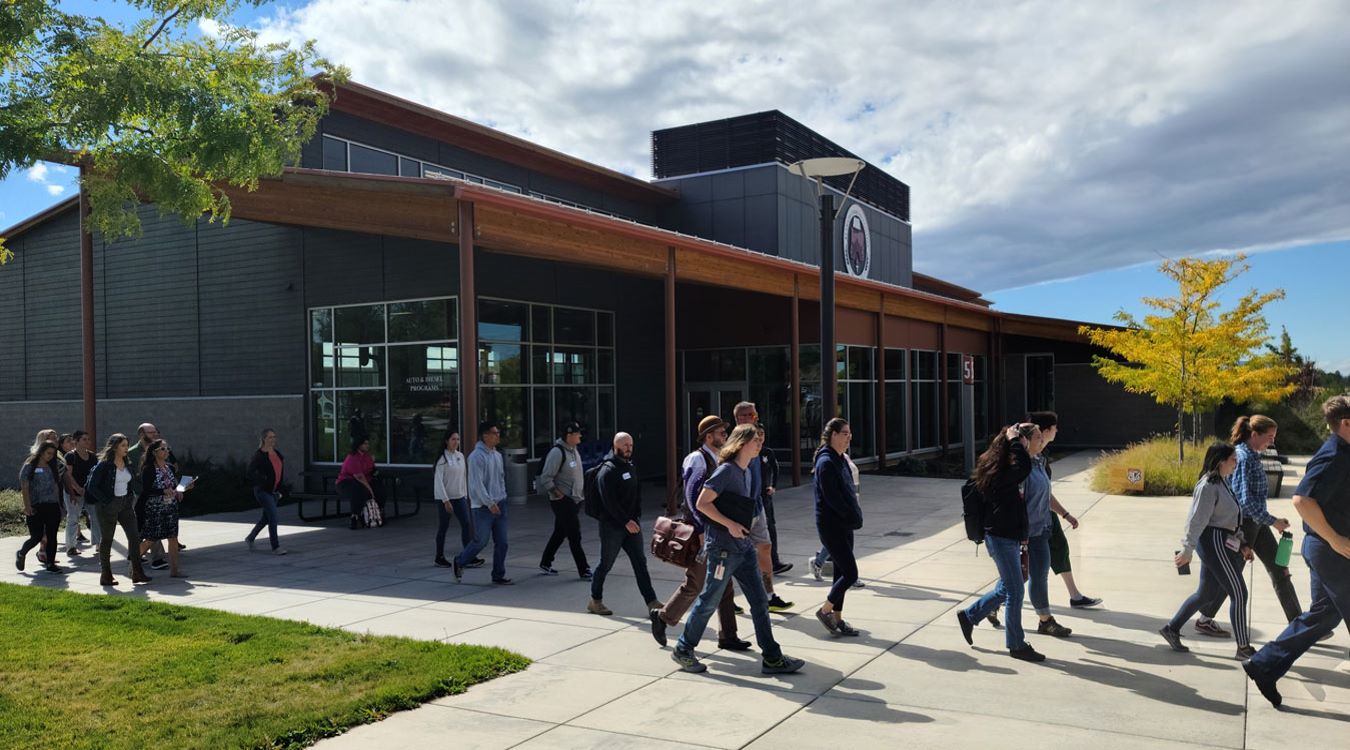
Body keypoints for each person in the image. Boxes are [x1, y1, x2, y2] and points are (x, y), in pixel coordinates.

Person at [670, 424, 806, 675]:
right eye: (755, 440)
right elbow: (702, 503)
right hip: (722, 550)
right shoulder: (726, 471)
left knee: (759, 601)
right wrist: (730, 524)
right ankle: (683, 648)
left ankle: (772, 658)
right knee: (709, 601)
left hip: (742, 549)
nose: (759, 444)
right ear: (742, 443)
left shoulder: (748, 471)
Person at [1244, 395, 1350, 708]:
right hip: (1332, 551)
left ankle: (1264, 666)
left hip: (1328, 549)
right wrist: (1334, 539)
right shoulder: (1334, 455)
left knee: (1323, 616)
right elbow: (1301, 500)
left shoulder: (1344, 452)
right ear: (1346, 423)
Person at [1191, 416, 1300, 638]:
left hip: (1258, 523)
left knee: (1279, 568)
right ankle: (1204, 619)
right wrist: (1273, 521)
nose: (1272, 442)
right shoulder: (1242, 457)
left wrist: (1269, 520)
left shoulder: (1252, 455)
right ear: (1254, 435)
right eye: (1269, 437)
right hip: (1245, 526)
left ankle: (1299, 623)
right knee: (1231, 576)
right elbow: (1245, 501)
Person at [650, 416, 748, 650]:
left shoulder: (719, 458)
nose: (725, 436)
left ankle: (728, 635)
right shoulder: (697, 458)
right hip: (701, 532)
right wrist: (703, 530)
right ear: (708, 436)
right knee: (696, 582)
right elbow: (693, 498)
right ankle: (663, 617)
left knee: (724, 583)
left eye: (725, 433)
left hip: (717, 530)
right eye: (721, 433)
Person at [955, 423, 1049, 662]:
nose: (1028, 445)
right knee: (1015, 590)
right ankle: (1016, 645)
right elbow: (1024, 466)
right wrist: (1016, 440)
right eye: (1024, 441)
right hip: (1000, 538)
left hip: (1007, 535)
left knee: (1008, 587)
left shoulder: (1003, 468)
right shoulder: (1003, 470)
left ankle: (969, 615)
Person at [1159, 442, 1254, 659]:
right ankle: (1243, 648)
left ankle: (1171, 629)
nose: (1235, 464)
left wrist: (1243, 543)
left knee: (1207, 593)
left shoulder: (1223, 482)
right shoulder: (1209, 486)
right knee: (1239, 593)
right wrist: (1187, 549)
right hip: (1213, 541)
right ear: (1221, 461)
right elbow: (1197, 520)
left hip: (1222, 540)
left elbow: (1232, 519)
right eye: (1232, 460)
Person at [1025, 411, 1101, 610]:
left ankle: (1074, 596)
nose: (1057, 430)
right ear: (1046, 430)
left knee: (1057, 550)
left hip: (1043, 514)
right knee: (1025, 567)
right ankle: (993, 604)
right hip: (1035, 517)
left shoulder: (1041, 456)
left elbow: (1045, 492)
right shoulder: (1030, 458)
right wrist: (1064, 514)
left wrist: (1065, 514)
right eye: (1054, 427)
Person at [588, 432, 661, 615]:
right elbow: (608, 502)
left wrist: (635, 517)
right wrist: (625, 521)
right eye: (624, 445)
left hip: (631, 526)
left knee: (640, 563)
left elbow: (636, 494)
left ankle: (651, 601)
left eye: (631, 445)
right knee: (606, 564)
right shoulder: (608, 471)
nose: (628, 448)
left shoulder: (630, 467)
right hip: (612, 527)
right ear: (615, 447)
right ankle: (595, 601)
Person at [731, 401, 793, 612]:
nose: (752, 418)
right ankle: (726, 598)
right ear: (739, 419)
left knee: (765, 547)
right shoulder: (733, 443)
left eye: (754, 415)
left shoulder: (756, 439)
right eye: (747, 415)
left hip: (758, 506)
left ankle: (769, 595)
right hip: (740, 509)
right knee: (735, 557)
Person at [812, 418, 863, 636]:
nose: (848, 437)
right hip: (832, 526)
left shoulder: (840, 458)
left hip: (844, 524)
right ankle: (825, 610)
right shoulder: (826, 462)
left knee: (841, 572)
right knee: (851, 573)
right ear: (833, 434)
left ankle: (838, 619)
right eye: (844, 433)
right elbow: (832, 498)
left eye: (850, 433)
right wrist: (850, 515)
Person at [84, 433, 151, 586]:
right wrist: (107, 501)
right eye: (123, 445)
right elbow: (92, 487)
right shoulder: (104, 465)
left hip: (126, 504)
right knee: (107, 540)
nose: (126, 448)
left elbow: (133, 482)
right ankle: (106, 575)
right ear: (114, 447)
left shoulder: (127, 463)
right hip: (108, 506)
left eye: (127, 445)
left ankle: (137, 572)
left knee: (134, 538)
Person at [453, 422, 511, 584]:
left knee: (503, 542)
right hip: (483, 508)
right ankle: (460, 561)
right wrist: (489, 502)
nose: (498, 435)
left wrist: (502, 496)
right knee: (481, 541)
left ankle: (498, 575)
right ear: (485, 436)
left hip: (500, 503)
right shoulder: (475, 457)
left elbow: (500, 478)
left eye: (498, 432)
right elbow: (477, 484)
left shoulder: (497, 455)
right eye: (494, 433)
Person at [537, 422, 592, 578]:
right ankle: (584, 569)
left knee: (560, 532)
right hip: (563, 501)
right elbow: (546, 477)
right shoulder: (557, 452)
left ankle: (545, 562)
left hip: (575, 500)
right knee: (575, 535)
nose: (580, 435)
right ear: (569, 436)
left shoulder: (574, 450)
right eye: (577, 433)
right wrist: (557, 492)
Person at [127, 422, 181, 568]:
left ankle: (173, 569)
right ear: (141, 434)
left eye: (155, 432)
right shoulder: (133, 453)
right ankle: (141, 561)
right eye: (151, 432)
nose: (154, 434)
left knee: (172, 538)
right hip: (147, 500)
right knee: (150, 536)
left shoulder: (166, 462)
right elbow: (133, 477)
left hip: (169, 506)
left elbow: (169, 478)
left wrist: (179, 489)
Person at [137, 438, 189, 578]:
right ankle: (134, 564)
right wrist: (162, 492)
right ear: (154, 452)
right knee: (151, 539)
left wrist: (182, 489)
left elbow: (173, 486)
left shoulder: (170, 467)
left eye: (168, 449)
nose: (167, 451)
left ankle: (175, 571)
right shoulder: (148, 469)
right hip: (155, 508)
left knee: (173, 538)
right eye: (163, 449)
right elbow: (147, 490)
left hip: (171, 507)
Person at [16, 440, 66, 574]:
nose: (50, 456)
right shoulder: (29, 466)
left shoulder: (53, 466)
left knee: (52, 535)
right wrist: (27, 506)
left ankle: (51, 563)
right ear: (41, 452)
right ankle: (21, 553)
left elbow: (56, 486)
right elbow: (25, 487)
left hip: (52, 505)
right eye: (48, 453)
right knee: (37, 536)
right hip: (36, 506)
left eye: (53, 454)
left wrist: (59, 505)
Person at [432, 431, 476, 568]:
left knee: (467, 524)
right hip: (445, 499)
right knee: (443, 527)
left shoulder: (460, 456)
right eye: (453, 439)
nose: (456, 442)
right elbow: (438, 481)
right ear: (447, 441)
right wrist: (445, 500)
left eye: (457, 439)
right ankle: (439, 556)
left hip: (459, 497)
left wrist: (465, 495)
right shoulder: (442, 459)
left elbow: (463, 477)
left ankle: (468, 555)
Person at [245, 428, 288, 555]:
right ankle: (276, 547)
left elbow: (279, 473)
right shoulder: (259, 455)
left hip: (273, 492)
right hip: (263, 491)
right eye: (270, 437)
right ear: (264, 439)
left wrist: (279, 489)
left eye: (274, 437)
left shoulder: (277, 454)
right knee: (273, 517)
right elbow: (250, 473)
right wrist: (262, 480)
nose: (273, 439)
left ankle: (250, 538)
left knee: (266, 518)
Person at [758, 426, 791, 575]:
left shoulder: (767, 452)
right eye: (757, 434)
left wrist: (773, 486)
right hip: (751, 497)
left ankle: (774, 561)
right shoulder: (746, 452)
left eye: (762, 434)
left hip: (765, 496)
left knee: (770, 527)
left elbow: (775, 468)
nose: (760, 437)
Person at [64, 430, 100, 557]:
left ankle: (98, 544)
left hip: (90, 492)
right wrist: (77, 488)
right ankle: (71, 546)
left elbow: (96, 474)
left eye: (88, 439)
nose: (87, 442)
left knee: (95, 517)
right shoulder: (70, 456)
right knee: (73, 517)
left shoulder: (93, 456)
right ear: (76, 441)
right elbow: (68, 474)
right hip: (73, 492)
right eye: (84, 439)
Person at [337, 437, 378, 530]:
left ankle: (377, 514)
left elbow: (372, 469)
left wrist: (374, 471)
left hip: (364, 481)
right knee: (358, 490)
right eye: (365, 444)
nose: (367, 445)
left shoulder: (367, 456)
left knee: (379, 487)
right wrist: (370, 490)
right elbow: (359, 476)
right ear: (359, 445)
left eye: (368, 443)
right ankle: (355, 516)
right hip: (345, 483)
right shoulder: (352, 457)